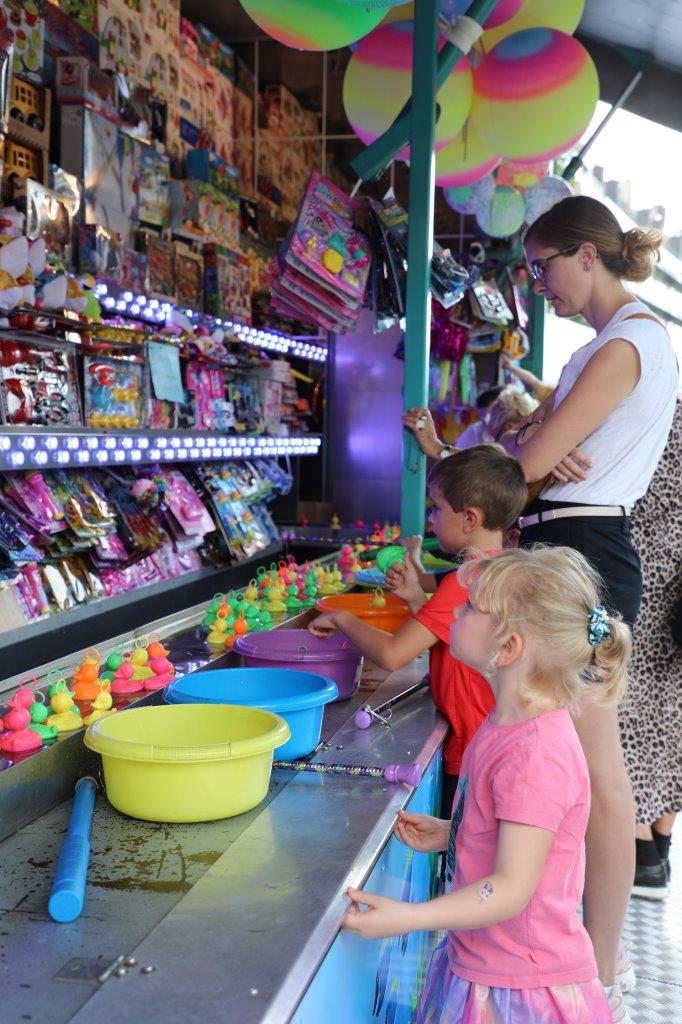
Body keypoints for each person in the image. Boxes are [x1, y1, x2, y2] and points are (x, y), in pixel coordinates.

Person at [405, 196, 678, 1019]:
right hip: (573, 543)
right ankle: (576, 943)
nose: (538, 284)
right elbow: (529, 461)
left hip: (586, 548)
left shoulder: (625, 344)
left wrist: (535, 455)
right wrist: (533, 455)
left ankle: (601, 965)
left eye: (542, 266)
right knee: (574, 756)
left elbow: (525, 464)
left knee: (599, 766)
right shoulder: (615, 343)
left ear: (587, 254)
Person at [342, 546, 630, 1024]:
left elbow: (512, 888)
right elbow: (520, 837)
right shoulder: (507, 723)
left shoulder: (535, 755)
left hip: (519, 986)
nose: (455, 611)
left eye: (471, 606)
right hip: (488, 963)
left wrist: (407, 917)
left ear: (508, 648)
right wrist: (453, 831)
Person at [308, 445, 528, 820]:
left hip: (473, 749)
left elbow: (393, 654)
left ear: (470, 519)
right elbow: (453, 637)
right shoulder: (499, 570)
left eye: (437, 509)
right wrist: (414, 598)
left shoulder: (465, 581)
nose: (431, 520)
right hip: (495, 742)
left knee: (462, 842)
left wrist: (343, 618)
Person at [619, 399, 682, 899]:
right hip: (675, 584)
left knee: (628, 709)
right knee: (669, 711)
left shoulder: (659, 415)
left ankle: (641, 850)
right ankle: (659, 843)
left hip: (649, 570)